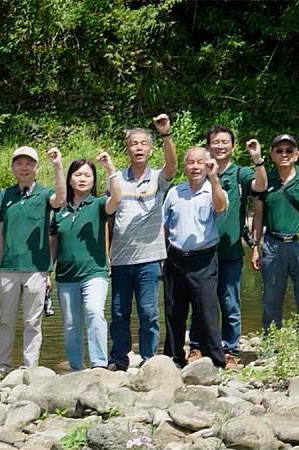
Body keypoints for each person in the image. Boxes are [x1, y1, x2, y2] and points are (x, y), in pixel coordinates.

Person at [186, 126, 267, 368]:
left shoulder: (240, 173)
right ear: (208, 145)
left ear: (232, 146)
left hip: (229, 250)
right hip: (201, 250)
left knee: (229, 301)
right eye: (215, 142)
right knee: (200, 300)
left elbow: (261, 187)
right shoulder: (199, 171)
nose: (220, 146)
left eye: (225, 142)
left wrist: (257, 159)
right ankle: (197, 346)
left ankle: (230, 349)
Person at [107, 114, 177, 372]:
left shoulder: (157, 177)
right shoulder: (116, 179)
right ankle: (119, 358)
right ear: (127, 149)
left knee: (148, 313)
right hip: (121, 258)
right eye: (133, 144)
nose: (138, 148)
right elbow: (108, 219)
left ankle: (149, 359)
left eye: (142, 144)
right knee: (118, 313)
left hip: (149, 257)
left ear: (150, 149)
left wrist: (166, 134)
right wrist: (107, 254)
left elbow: (172, 167)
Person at [0, 145, 66, 376]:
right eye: (19, 163)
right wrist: (2, 260)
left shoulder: (44, 194)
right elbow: (1, 231)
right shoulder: (5, 195)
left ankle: (30, 367)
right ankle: (2, 365)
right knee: (5, 320)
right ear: (13, 167)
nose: (24, 168)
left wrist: (57, 166)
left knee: (32, 321)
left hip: (37, 268)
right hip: (9, 268)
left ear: (36, 167)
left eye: (29, 163)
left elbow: (61, 199)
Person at [50, 152, 121, 371]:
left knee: (94, 312)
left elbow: (117, 199)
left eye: (88, 175)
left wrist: (110, 169)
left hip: (94, 273)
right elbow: (53, 243)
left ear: (93, 180)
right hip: (65, 276)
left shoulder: (99, 204)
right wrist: (46, 273)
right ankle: (76, 368)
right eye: (78, 174)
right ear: (70, 179)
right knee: (71, 324)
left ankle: (99, 364)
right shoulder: (59, 210)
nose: (82, 179)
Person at [251, 134, 299, 332]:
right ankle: (271, 344)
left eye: (289, 150)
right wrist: (254, 247)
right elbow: (258, 217)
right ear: (272, 154)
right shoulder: (265, 180)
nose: (284, 154)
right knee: (271, 297)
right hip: (273, 244)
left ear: (295, 154)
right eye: (279, 150)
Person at [162, 147, 228, 368]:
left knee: (207, 310)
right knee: (174, 310)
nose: (195, 167)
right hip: (175, 258)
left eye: (200, 162)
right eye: (191, 162)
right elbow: (164, 225)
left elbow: (220, 208)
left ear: (208, 164)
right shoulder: (174, 192)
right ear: (185, 166)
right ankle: (173, 358)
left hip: (204, 259)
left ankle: (215, 361)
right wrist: (163, 254)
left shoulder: (213, 190)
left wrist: (214, 177)